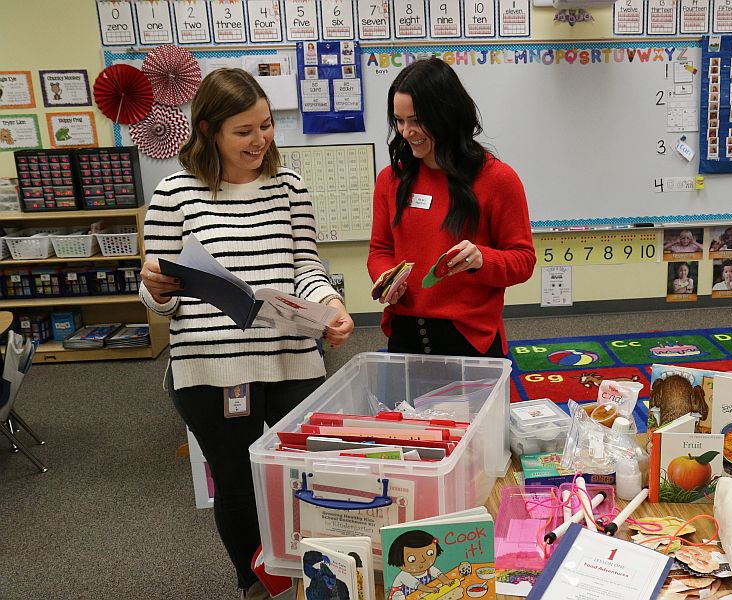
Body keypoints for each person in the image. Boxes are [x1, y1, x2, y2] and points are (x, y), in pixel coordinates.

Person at [138, 68, 354, 600]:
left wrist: (330, 303)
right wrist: (157, 287)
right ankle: (255, 585)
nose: (260, 140)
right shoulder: (173, 194)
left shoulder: (289, 186)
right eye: (244, 131)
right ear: (209, 130)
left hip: (290, 360)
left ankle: (313, 581)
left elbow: (306, 263)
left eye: (266, 125)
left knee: (300, 482)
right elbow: (156, 298)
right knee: (236, 487)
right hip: (210, 371)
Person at [367, 58, 536, 358]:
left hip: (470, 339)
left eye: (417, 120)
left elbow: (523, 260)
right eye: (399, 120)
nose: (406, 132)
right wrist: (385, 278)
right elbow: (380, 249)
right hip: (405, 332)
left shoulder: (498, 179)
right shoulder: (390, 179)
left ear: (446, 114)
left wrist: (483, 259)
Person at [386, 530, 452, 600]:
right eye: (412, 559)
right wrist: (430, 590)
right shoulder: (404, 575)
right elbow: (418, 585)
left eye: (430, 553)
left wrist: (446, 581)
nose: (423, 560)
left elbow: (439, 574)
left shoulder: (429, 568)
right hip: (403, 597)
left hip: (420, 595)